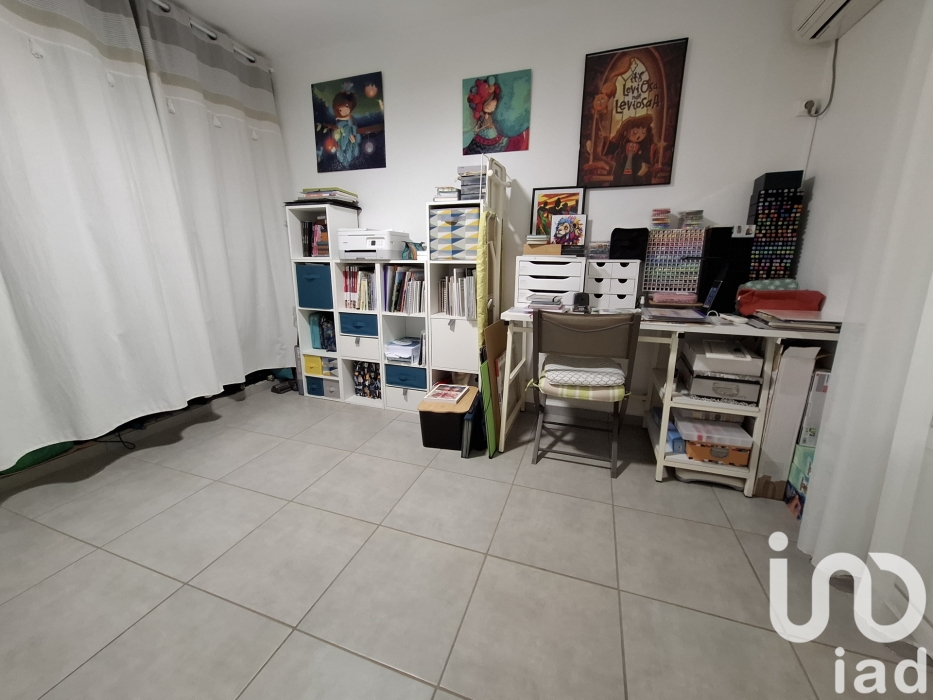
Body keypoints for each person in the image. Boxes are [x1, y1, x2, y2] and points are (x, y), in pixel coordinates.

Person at [464, 76, 529, 155]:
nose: (494, 105)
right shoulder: (486, 118)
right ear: (485, 106)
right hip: (488, 135)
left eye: (494, 105)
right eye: (490, 104)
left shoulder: (488, 117)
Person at [606, 113, 656, 186]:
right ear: (625, 132)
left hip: (636, 174)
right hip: (621, 173)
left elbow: (647, 159)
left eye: (643, 132)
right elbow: (611, 152)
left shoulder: (643, 147)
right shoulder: (622, 144)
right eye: (635, 132)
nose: (639, 135)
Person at [330, 86, 359, 168]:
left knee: (349, 148)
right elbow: (337, 129)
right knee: (341, 148)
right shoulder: (338, 120)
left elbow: (351, 123)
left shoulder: (350, 118)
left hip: (350, 135)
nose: (344, 111)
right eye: (340, 110)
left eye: (346, 106)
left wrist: (354, 136)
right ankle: (343, 161)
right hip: (341, 137)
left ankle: (347, 162)